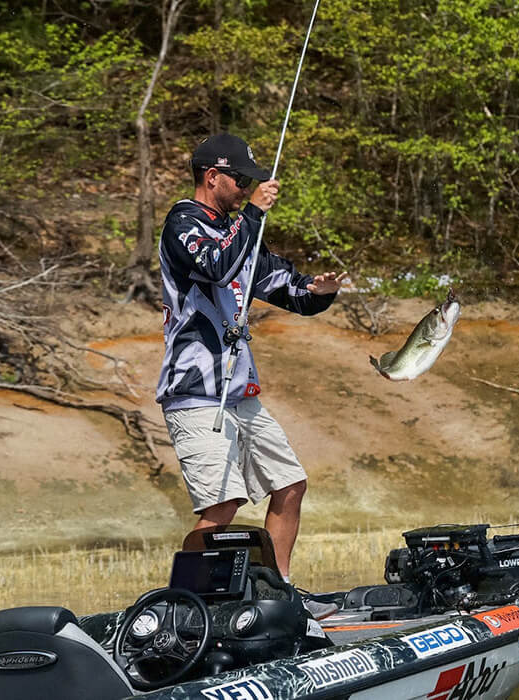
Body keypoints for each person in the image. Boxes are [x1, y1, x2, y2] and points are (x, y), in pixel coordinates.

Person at [156, 133, 345, 607]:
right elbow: (217, 266)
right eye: (239, 179)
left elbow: (292, 293)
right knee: (222, 507)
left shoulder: (243, 236)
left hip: (242, 394)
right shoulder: (183, 222)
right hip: (195, 392)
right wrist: (254, 213)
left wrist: (320, 291)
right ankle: (186, 607)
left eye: (250, 182)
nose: (245, 187)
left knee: (289, 484)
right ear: (211, 176)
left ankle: (279, 596)